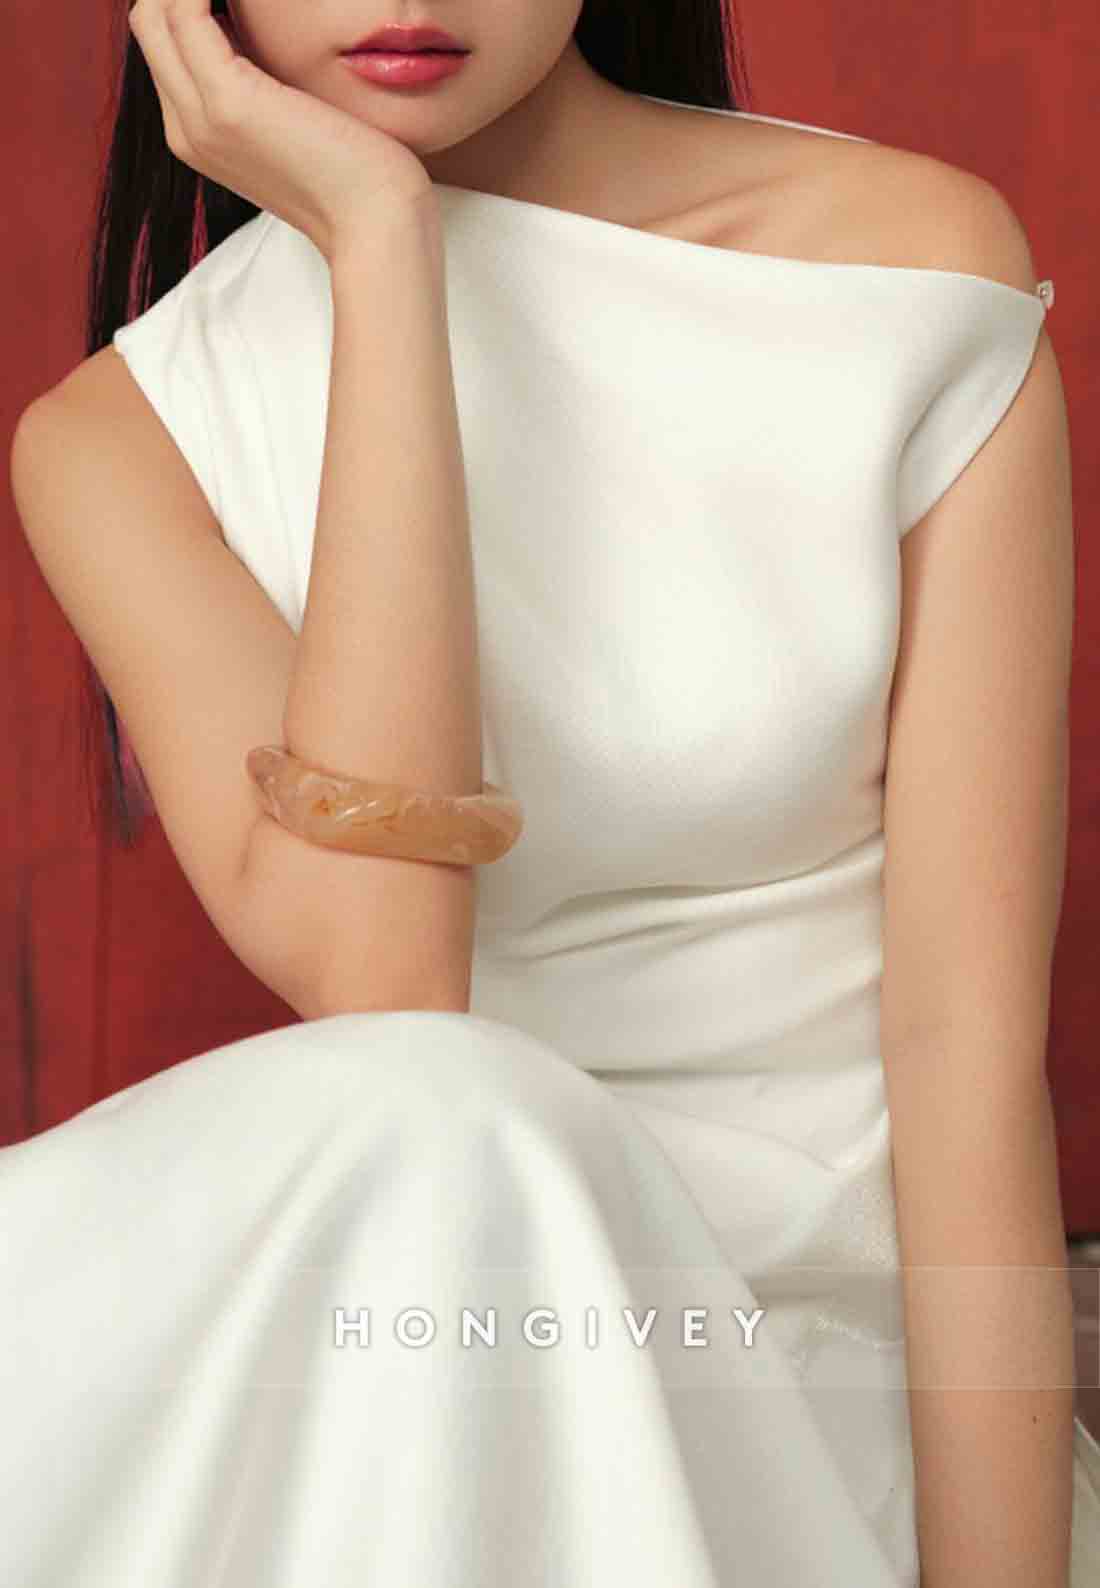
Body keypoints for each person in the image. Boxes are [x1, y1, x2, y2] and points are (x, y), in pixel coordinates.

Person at [5, 0, 1099, 1582]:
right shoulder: (125, 441)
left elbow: (968, 1054)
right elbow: (391, 991)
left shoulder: (900, 274)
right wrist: (386, 256)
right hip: (421, 1357)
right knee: (436, 1106)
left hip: (785, 1401)